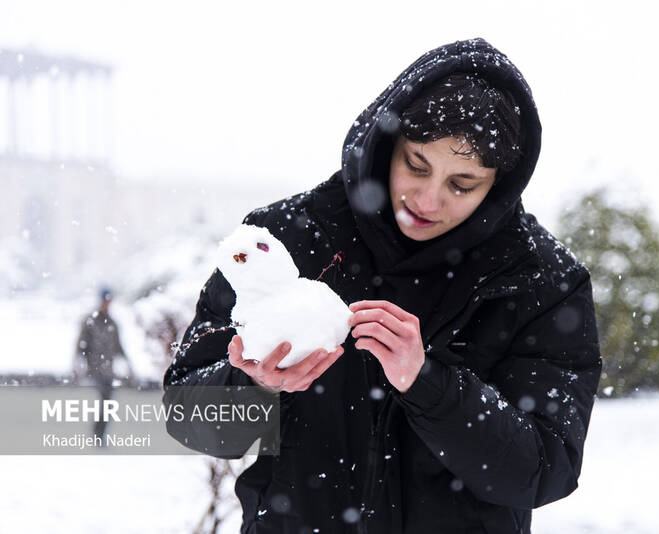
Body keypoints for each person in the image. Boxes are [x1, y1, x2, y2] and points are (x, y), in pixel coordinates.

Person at [163, 38, 602, 533]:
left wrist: (429, 383)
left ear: (499, 184)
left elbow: (545, 470)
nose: (428, 200)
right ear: (385, 142)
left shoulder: (540, 282)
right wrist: (253, 385)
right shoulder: (284, 241)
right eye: (417, 165)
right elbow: (187, 418)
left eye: (462, 185)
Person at [75, 287, 132, 440]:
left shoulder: (112, 323)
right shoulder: (90, 321)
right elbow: (81, 345)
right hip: (94, 369)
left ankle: (100, 433)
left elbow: (118, 346)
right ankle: (96, 433)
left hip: (108, 369)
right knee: (102, 401)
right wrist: (78, 364)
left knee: (108, 403)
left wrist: (128, 364)